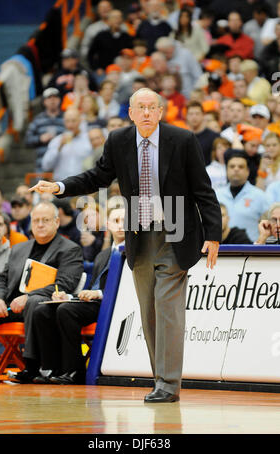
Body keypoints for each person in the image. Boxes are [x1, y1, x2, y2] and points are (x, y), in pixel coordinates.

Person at [29, 87, 221, 403]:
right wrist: (61, 186)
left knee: (167, 309)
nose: (146, 113)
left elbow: (204, 190)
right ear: (130, 113)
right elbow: (98, 177)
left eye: (151, 107)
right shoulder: (119, 141)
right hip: (138, 237)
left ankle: (168, 385)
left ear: (161, 111)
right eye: (139, 107)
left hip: (175, 235)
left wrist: (212, 235)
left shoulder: (182, 140)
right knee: (148, 313)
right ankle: (160, 380)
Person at [0, 202, 83, 383]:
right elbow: (2, 278)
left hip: (42, 308)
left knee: (34, 302)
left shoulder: (70, 249)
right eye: (36, 221)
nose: (40, 225)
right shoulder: (19, 248)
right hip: (10, 307)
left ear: (57, 222)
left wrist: (27, 297)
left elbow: (65, 284)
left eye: (45, 220)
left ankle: (32, 367)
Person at [31, 206, 125, 384]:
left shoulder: (136, 255)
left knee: (67, 311)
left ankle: (74, 370)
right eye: (116, 221)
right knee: (42, 311)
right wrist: (70, 296)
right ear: (107, 224)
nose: (121, 225)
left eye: (125, 221)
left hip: (113, 305)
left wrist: (97, 293)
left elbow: (129, 289)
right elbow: (92, 285)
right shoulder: (103, 254)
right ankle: (51, 368)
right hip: (93, 302)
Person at [215, 152, 270, 242]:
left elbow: (270, 225)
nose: (236, 169)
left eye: (241, 167)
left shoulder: (260, 196)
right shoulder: (216, 195)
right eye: (232, 166)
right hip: (221, 251)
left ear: (248, 171)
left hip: (250, 251)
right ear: (226, 170)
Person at [42, 108, 92, 181]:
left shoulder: (89, 139)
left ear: (80, 120)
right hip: (62, 186)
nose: (70, 124)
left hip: (84, 185)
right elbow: (46, 166)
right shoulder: (56, 141)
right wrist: (59, 147)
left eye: (73, 121)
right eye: (67, 121)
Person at [24, 87, 65, 174]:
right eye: (49, 98)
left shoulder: (66, 118)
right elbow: (27, 140)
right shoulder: (38, 119)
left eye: (55, 97)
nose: (52, 100)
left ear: (60, 100)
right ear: (44, 101)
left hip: (63, 165)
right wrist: (40, 138)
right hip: (41, 167)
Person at [87, 9, 133, 79]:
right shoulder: (101, 36)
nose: (117, 20)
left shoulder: (126, 37)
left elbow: (131, 55)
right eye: (115, 17)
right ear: (108, 21)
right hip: (104, 72)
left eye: (119, 17)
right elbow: (91, 54)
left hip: (122, 71)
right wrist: (96, 68)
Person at [186, 100, 220, 166]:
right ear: (186, 116)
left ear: (203, 115)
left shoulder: (214, 137)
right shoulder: (183, 137)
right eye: (191, 114)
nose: (194, 117)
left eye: (197, 114)